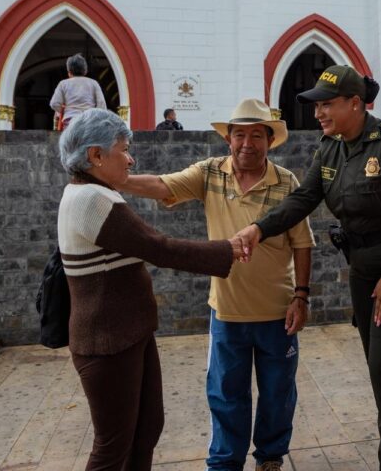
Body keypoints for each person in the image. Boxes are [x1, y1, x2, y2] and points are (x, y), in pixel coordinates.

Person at [235, 65, 381, 471]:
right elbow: (304, 198)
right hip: (363, 268)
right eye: (317, 106)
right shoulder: (329, 148)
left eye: (327, 105)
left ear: (355, 104)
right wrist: (259, 227)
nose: (319, 114)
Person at [120, 98, 314, 471]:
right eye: (239, 134)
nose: (247, 143)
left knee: (278, 393)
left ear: (269, 141)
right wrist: (118, 180)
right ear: (228, 139)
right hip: (226, 312)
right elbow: (163, 185)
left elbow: (302, 243)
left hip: (277, 312)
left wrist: (301, 297)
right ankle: (226, 463)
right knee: (226, 394)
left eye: (256, 135)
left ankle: (270, 457)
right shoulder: (210, 174)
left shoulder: (286, 181)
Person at [57, 108, 242, 470]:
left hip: (127, 334)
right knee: (112, 446)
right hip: (108, 341)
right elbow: (158, 247)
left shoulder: (93, 192)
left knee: (145, 430)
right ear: (95, 155)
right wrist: (226, 249)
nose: (130, 158)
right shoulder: (92, 200)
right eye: (123, 149)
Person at [50, 53, 107, 131]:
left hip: (70, 123)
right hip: (89, 122)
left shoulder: (63, 84)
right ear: (85, 71)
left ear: (69, 72)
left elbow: (54, 104)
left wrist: (66, 110)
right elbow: (102, 105)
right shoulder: (93, 83)